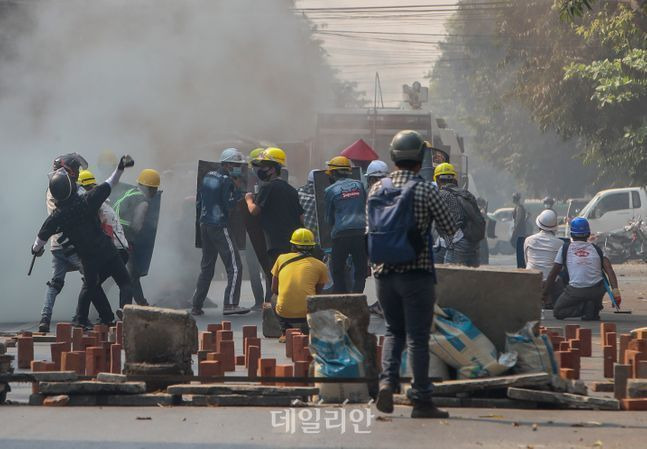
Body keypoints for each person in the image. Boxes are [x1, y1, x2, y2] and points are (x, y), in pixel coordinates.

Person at [369, 130, 457, 419]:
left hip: (383, 275)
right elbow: (449, 227)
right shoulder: (426, 189)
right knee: (418, 337)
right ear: (420, 159)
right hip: (416, 273)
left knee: (394, 330)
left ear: (393, 158)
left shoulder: (376, 189)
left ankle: (386, 383)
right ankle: (421, 400)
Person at [31, 156, 135, 326]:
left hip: (88, 258)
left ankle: (92, 319)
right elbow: (109, 183)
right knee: (124, 282)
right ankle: (125, 311)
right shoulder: (86, 200)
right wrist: (120, 168)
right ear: (72, 185)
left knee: (90, 286)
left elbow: (42, 236)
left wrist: (35, 250)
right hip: (107, 250)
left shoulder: (57, 216)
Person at [190, 148, 249, 316]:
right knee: (235, 266)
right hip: (219, 226)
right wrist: (237, 190)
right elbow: (230, 204)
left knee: (207, 267)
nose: (238, 168)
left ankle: (196, 305)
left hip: (204, 224)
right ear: (227, 164)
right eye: (236, 165)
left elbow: (199, 201)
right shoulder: (227, 181)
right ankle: (230, 304)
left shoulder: (207, 176)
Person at [73, 170, 130, 327]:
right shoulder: (104, 201)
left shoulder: (92, 204)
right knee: (123, 282)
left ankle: (101, 316)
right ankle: (120, 315)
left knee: (93, 283)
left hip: (111, 250)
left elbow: (103, 227)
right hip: (121, 250)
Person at [38, 153, 88, 332]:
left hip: (56, 244)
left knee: (56, 282)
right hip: (70, 243)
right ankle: (80, 317)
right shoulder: (60, 189)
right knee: (90, 278)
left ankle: (45, 318)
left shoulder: (57, 187)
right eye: (74, 169)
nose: (76, 172)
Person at [544, 217, 622, 321]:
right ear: (588, 234)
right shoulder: (596, 249)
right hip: (597, 290)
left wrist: (545, 293)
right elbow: (610, 271)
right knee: (592, 300)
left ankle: (583, 308)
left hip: (576, 291)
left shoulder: (565, 248)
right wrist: (616, 293)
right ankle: (593, 306)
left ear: (571, 234)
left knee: (558, 312)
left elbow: (553, 273)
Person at [245, 147, 304, 271]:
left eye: (263, 167)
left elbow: (254, 211)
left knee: (277, 275)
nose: (260, 170)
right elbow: (301, 217)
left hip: (275, 243)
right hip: (293, 242)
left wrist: (248, 199)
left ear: (272, 169)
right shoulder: (291, 190)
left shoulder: (267, 188)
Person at [270, 228, 328, 341]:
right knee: (319, 299)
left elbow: (274, 288)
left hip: (284, 313)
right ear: (313, 247)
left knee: (273, 298)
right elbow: (318, 294)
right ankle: (310, 329)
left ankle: (285, 330)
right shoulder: (321, 265)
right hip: (307, 313)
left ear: (292, 246)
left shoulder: (281, 259)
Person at [114, 168, 161, 306]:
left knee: (113, 272)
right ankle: (137, 306)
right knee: (131, 274)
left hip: (111, 235)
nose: (154, 191)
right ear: (151, 188)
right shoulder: (143, 201)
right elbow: (137, 224)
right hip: (123, 239)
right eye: (154, 188)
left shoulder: (129, 192)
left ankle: (140, 303)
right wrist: (135, 236)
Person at [324, 156, 367, 294]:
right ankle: (357, 296)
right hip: (361, 232)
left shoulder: (330, 190)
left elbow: (328, 218)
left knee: (337, 270)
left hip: (341, 234)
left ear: (333, 173)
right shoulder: (360, 185)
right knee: (361, 270)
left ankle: (342, 298)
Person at [435, 162, 481, 267]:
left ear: (437, 179)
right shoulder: (466, 193)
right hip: (474, 243)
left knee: (449, 278)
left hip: (458, 243)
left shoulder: (441, 194)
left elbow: (438, 224)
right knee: (472, 279)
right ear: (453, 178)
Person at [524, 209, 564, 309]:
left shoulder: (528, 240)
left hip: (531, 280)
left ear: (538, 225)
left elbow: (527, 262)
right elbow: (561, 269)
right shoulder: (560, 243)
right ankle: (548, 298)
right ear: (554, 227)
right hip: (551, 285)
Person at [297, 170, 318, 238]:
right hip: (314, 238)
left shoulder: (297, 192)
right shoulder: (322, 196)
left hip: (297, 235)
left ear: (308, 181)